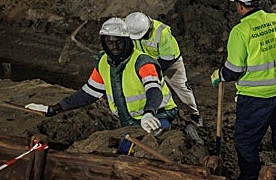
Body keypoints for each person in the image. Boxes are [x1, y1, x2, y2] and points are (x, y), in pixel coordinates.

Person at [212, 0, 276, 180]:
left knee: (245, 141)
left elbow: (234, 70)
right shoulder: (275, 20)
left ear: (239, 5)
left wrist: (219, 75)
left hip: (256, 97)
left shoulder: (241, 31)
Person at [27, 17, 178, 133]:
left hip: (158, 116)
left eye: (118, 42)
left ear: (127, 40)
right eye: (109, 42)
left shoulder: (143, 62)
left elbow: (154, 90)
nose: (114, 46)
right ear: (103, 42)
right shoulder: (104, 63)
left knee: (154, 144)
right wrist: (55, 108)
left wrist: (149, 112)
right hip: (130, 122)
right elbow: (87, 94)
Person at [124, 11, 201, 126]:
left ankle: (194, 114)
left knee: (181, 88)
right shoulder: (130, 25)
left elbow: (167, 59)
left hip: (170, 63)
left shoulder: (162, 33)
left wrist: (153, 72)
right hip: (145, 62)